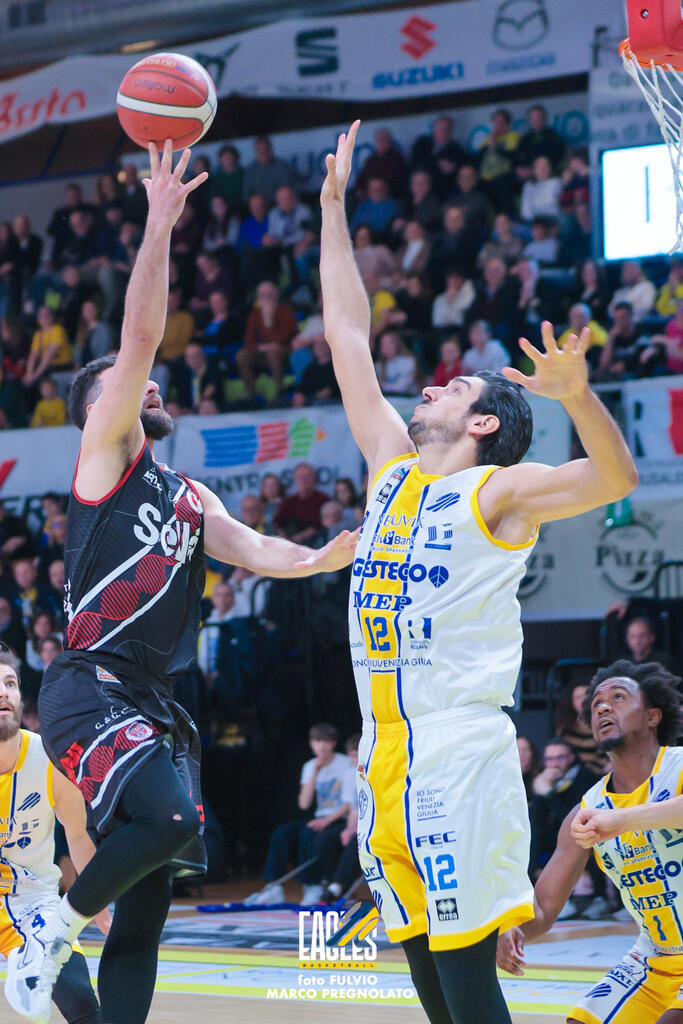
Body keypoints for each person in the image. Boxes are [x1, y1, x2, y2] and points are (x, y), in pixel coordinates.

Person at [9, 140, 358, 1024]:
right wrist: (159, 222)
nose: (153, 382)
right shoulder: (104, 459)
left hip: (156, 700)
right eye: (133, 384)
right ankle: (51, 934)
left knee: (149, 908)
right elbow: (137, 338)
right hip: (90, 685)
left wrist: (326, 555)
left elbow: (262, 550)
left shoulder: (191, 497)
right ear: (101, 409)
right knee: (166, 823)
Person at [319, 121, 638, 1024]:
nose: (426, 388)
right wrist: (333, 213)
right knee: (427, 974)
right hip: (382, 748)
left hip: (457, 745)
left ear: (485, 423)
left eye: (451, 388)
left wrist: (577, 396)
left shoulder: (498, 492)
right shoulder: (391, 470)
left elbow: (612, 479)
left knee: (464, 978)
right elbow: (347, 333)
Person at [497, 660, 683, 1024]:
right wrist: (514, 928)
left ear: (653, 716)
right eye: (596, 703)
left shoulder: (678, 766)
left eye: (618, 697)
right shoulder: (586, 811)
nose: (603, 707)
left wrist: (624, 819)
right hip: (655, 956)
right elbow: (544, 906)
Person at [0, 649, 109, 1024]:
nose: (3, 692)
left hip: (32, 900)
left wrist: (99, 902)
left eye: (10, 683)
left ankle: (31, 957)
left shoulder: (49, 759)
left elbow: (78, 836)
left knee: (82, 1004)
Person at [245, 722, 354, 906]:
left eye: (326, 741)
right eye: (317, 741)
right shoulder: (310, 766)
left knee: (307, 834)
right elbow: (304, 804)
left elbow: (351, 802)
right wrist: (315, 773)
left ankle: (312, 885)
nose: (322, 746)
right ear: (311, 743)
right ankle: (274, 886)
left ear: (334, 743)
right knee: (282, 833)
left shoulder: (345, 763)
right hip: (320, 817)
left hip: (340, 818)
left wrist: (328, 820)